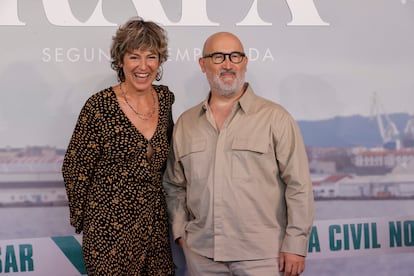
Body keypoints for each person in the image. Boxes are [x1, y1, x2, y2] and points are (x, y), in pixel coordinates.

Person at [163, 32, 314, 276]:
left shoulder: (275, 118)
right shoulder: (186, 123)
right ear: (203, 64)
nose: (228, 64)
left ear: (244, 62)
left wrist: (296, 244)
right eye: (218, 57)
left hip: (264, 257)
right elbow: (174, 185)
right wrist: (181, 232)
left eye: (235, 56)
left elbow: (299, 185)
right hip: (202, 256)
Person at [62, 17, 175, 275]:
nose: (143, 66)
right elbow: (74, 168)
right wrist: (89, 220)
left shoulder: (166, 100)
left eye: (151, 57)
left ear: (159, 61)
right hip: (108, 230)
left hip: (154, 227)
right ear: (121, 60)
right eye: (134, 57)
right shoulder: (99, 107)